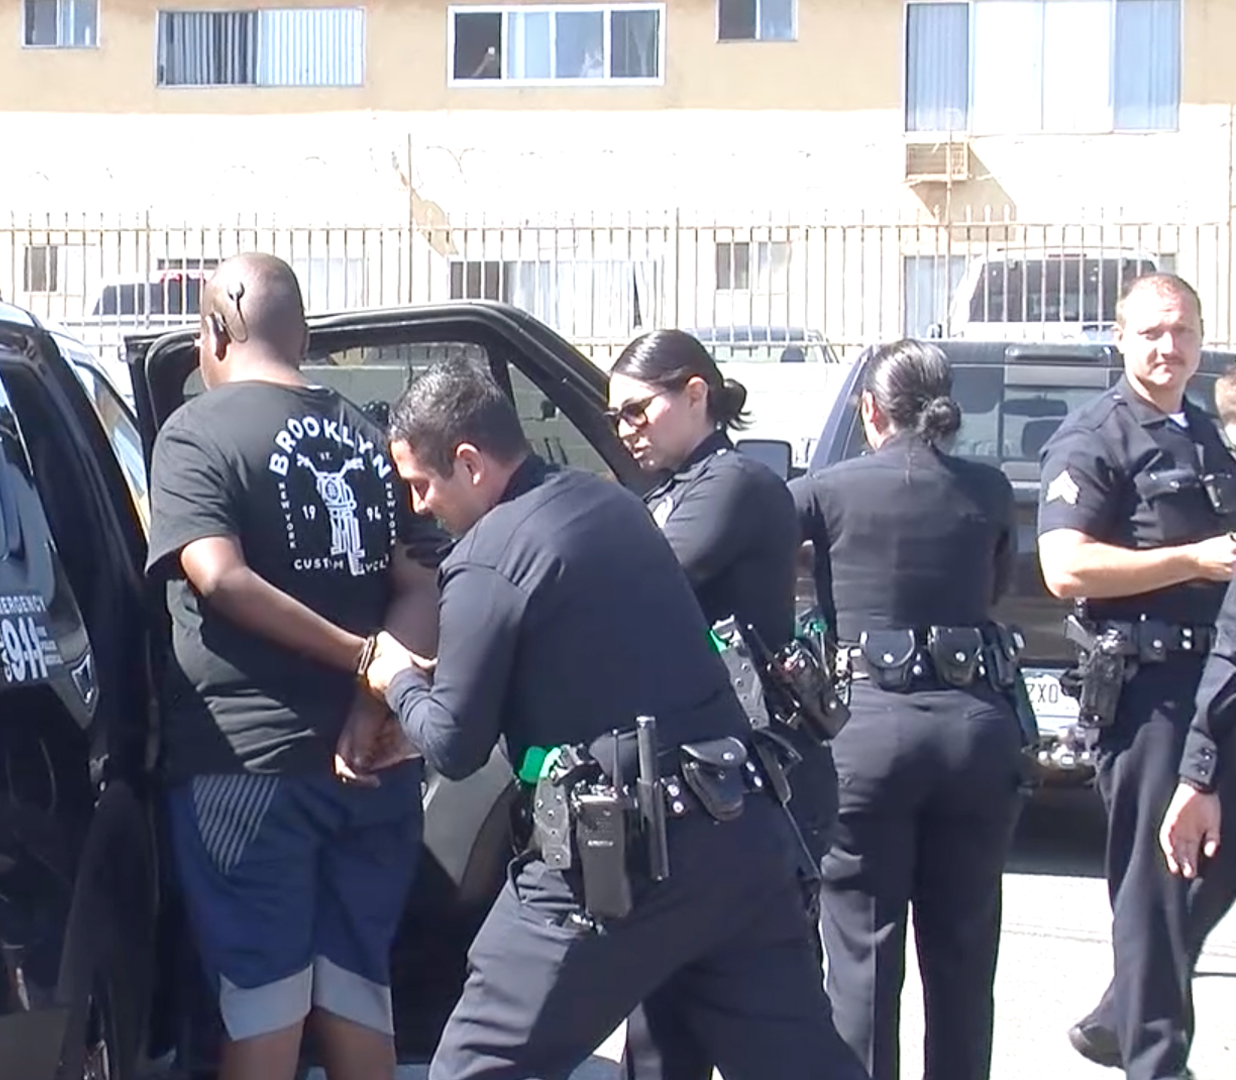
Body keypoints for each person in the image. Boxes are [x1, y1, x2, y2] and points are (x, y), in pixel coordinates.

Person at [358, 357, 866, 1080]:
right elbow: (588, 657)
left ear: (468, 462)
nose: (418, 506)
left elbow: (455, 744)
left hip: (619, 855)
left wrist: (396, 678)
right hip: (741, 838)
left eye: (421, 483)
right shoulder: (612, 508)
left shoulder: (486, 559)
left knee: (476, 1068)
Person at [143, 252, 445, 1080]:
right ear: (303, 335)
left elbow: (218, 576)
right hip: (371, 767)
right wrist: (371, 695)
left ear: (213, 330)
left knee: (262, 995)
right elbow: (421, 584)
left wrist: (361, 662)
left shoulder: (196, 431)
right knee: (357, 985)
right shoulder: (366, 430)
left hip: (245, 766)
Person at [787, 339, 1028, 1080]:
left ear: (869, 410)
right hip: (975, 731)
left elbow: (760, 547)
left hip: (867, 732)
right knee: (962, 957)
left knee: (861, 954)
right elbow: (992, 594)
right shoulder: (988, 489)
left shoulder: (829, 489)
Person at [603, 329, 839, 1080]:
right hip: (693, 784)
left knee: (771, 1026)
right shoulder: (670, 492)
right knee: (664, 1021)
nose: (625, 431)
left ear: (695, 393)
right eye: (615, 419)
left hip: (754, 785)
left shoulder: (734, 484)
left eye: (637, 411)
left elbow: (644, 586)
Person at [1038, 271, 1236, 1080]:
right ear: (1120, 339)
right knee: (1157, 890)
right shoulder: (1095, 436)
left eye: (1182, 331)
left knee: (1210, 873)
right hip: (1148, 692)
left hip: (1215, 687)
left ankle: (1124, 1014)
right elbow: (1064, 566)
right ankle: (1156, 1059)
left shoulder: (1203, 432)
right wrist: (1188, 559)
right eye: (1151, 332)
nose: (1168, 347)